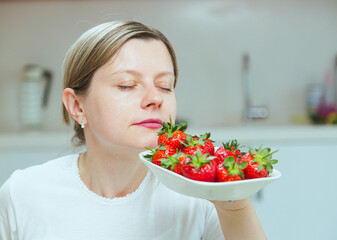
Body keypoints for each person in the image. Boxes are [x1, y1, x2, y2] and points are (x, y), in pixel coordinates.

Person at [0, 21, 267, 240]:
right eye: (127, 85)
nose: (156, 98)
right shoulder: (23, 192)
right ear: (77, 106)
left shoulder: (200, 195)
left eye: (165, 86)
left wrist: (236, 207)